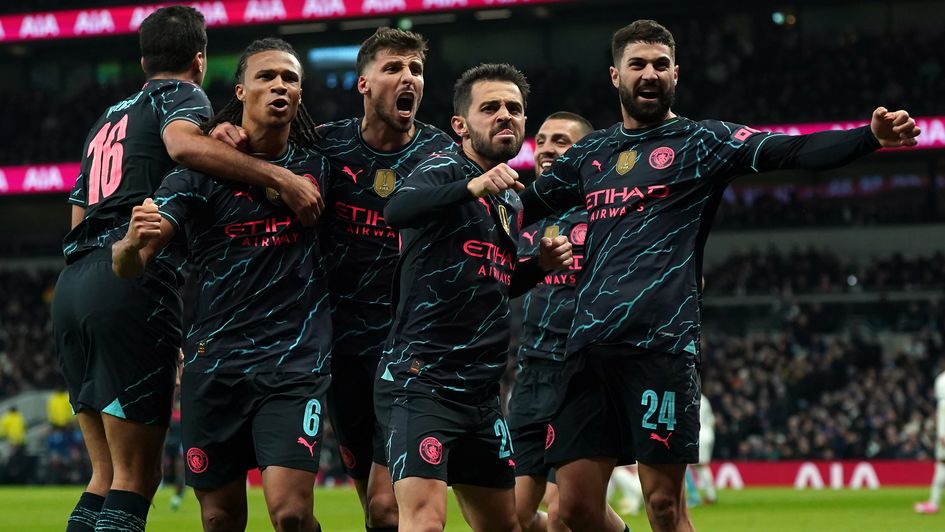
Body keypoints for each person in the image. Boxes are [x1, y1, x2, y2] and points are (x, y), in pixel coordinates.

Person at [519, 19, 920, 532]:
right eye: (637, 64)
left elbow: (790, 150)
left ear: (676, 75)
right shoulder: (590, 154)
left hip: (660, 348)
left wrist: (869, 137)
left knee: (664, 508)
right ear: (614, 75)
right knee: (572, 510)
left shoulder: (703, 141)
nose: (649, 74)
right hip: (587, 351)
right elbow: (520, 206)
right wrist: (456, 198)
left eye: (660, 65)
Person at [51, 7, 324, 532]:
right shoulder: (182, 97)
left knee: (102, 475)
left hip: (73, 282)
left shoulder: (106, 119)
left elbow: (78, 215)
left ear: (141, 59)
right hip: (128, 279)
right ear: (200, 61)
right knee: (134, 479)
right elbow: (180, 145)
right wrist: (277, 177)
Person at [211, 29, 456, 531]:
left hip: (408, 354)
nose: (407, 78)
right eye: (393, 68)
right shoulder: (323, 144)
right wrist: (224, 133)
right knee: (372, 506)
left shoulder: (443, 157)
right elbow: (260, 149)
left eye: (415, 70)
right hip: (339, 351)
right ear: (363, 83)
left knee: (391, 509)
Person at [380, 63, 573, 532]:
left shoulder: (510, 200)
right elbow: (396, 209)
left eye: (514, 109)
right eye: (490, 108)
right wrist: (472, 185)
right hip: (421, 380)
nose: (505, 115)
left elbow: (497, 281)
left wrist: (538, 267)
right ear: (461, 125)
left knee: (505, 525)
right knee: (424, 521)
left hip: (482, 394)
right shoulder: (444, 167)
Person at [509, 111, 594, 532]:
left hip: (581, 373)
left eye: (560, 140)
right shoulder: (522, 214)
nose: (546, 148)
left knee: (566, 512)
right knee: (516, 516)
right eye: (541, 139)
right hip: (531, 374)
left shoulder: (604, 214)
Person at [915, 369, 945, 514]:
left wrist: (943, 435)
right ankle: (933, 502)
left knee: (941, 467)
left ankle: (933, 503)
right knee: (941, 469)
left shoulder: (943, 404)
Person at [695, 393, 717, 504]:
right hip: (708, 433)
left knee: (701, 466)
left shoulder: (691, 396)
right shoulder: (705, 399)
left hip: (699, 434)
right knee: (700, 467)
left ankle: (711, 495)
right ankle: (709, 495)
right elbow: (712, 420)